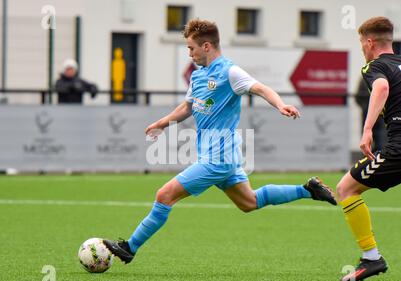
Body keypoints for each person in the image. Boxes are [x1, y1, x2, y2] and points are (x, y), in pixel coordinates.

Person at [103, 19, 337, 264]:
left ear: (206, 46)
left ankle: (130, 247)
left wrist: (281, 105)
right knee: (249, 202)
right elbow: (187, 107)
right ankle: (308, 190)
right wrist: (162, 123)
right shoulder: (198, 76)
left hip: (218, 160)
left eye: (191, 48)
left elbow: (262, 89)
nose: (189, 53)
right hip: (223, 158)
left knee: (164, 195)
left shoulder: (230, 72)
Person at [337, 16, 401, 281]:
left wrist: (366, 130)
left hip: (398, 148)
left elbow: (382, 87)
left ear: (370, 42)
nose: (362, 48)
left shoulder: (374, 67)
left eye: (362, 43)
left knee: (346, 189)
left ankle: (372, 258)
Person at [355, 77, 387, 151]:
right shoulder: (366, 78)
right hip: (377, 114)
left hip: (373, 115)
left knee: (379, 139)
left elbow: (358, 97)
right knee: (378, 139)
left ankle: (373, 156)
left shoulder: (366, 77)